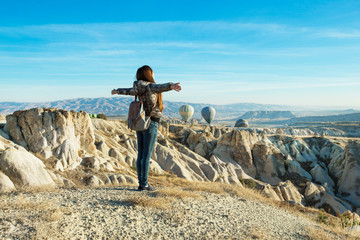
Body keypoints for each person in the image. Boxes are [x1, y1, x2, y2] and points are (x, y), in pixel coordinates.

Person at [111, 65, 181, 191]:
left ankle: (141, 183)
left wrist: (116, 91)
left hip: (140, 123)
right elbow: (161, 87)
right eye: (152, 73)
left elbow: (128, 91)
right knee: (147, 155)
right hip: (151, 122)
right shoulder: (150, 86)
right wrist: (172, 85)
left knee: (141, 155)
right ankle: (145, 184)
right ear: (148, 74)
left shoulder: (137, 88)